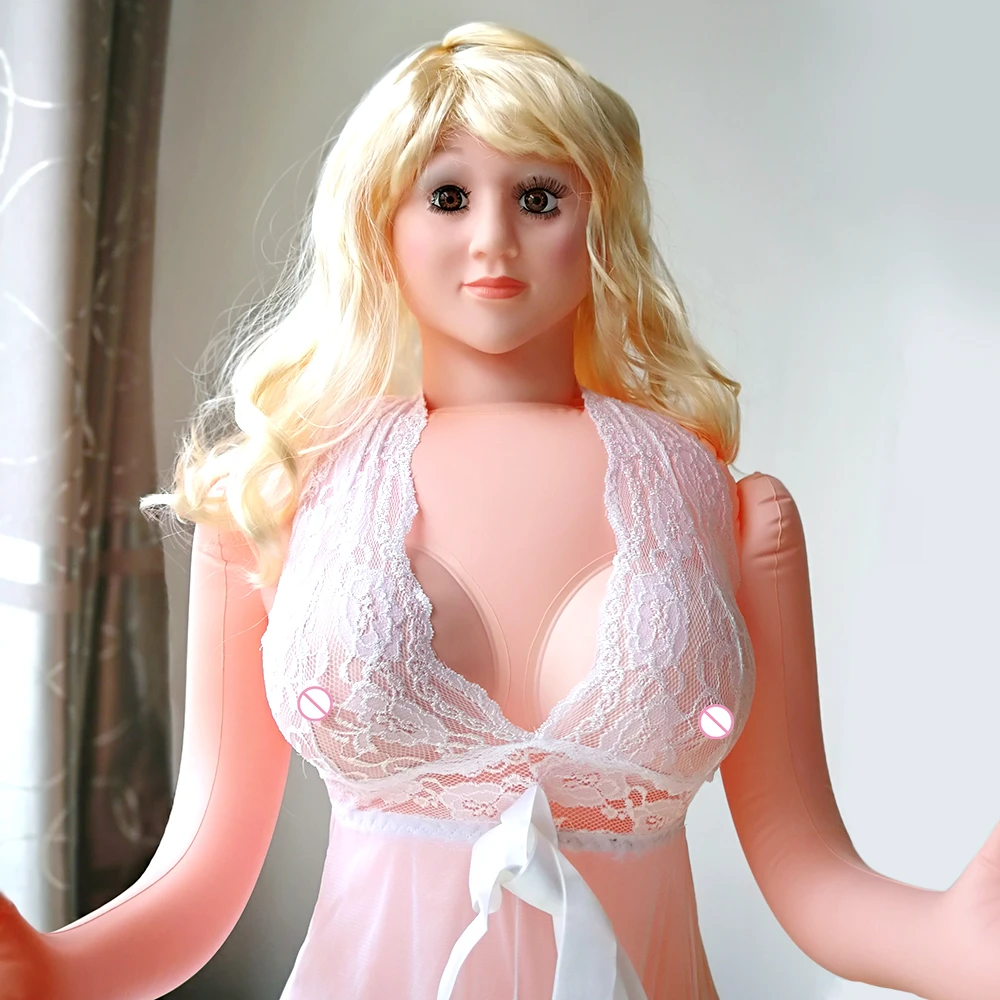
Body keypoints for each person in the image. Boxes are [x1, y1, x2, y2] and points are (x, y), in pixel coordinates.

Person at [2, 21, 998, 1000]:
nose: (493, 239)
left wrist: (951, 947)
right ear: (379, 221)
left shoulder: (728, 511)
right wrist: (53, 971)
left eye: (538, 196)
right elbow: (202, 876)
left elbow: (805, 866)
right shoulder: (272, 501)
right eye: (447, 195)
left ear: (599, 220)